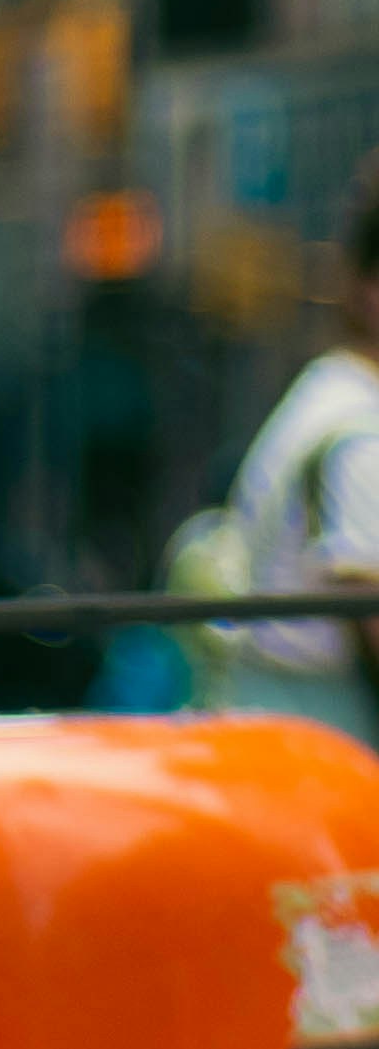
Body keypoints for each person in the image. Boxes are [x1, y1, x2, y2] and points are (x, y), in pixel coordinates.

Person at [210, 153, 379, 738]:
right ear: (368, 290)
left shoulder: (326, 392)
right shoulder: (362, 433)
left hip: (274, 736)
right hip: (330, 758)